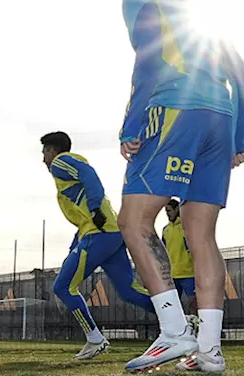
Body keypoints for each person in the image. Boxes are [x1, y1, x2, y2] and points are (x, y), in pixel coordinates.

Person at [117, 0, 244, 374]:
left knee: (133, 221)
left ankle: (175, 330)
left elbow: (149, 59)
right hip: (221, 117)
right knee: (201, 236)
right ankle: (210, 351)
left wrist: (131, 126)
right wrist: (240, 140)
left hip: (175, 109)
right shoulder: (198, 10)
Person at [40, 132, 156, 361]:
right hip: (110, 233)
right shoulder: (67, 171)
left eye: (44, 152)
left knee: (63, 287)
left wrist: (94, 208)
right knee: (128, 291)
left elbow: (88, 174)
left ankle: (95, 338)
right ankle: (180, 321)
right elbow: (82, 217)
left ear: (53, 151)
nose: (43, 159)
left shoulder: (60, 163)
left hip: (99, 234)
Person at [162, 200, 197, 315]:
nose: (167, 213)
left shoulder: (186, 226)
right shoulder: (165, 230)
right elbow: (162, 252)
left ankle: (196, 326)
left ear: (177, 209)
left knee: (193, 302)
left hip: (188, 273)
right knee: (173, 305)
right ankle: (180, 328)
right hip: (172, 275)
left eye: (169, 210)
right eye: (166, 211)